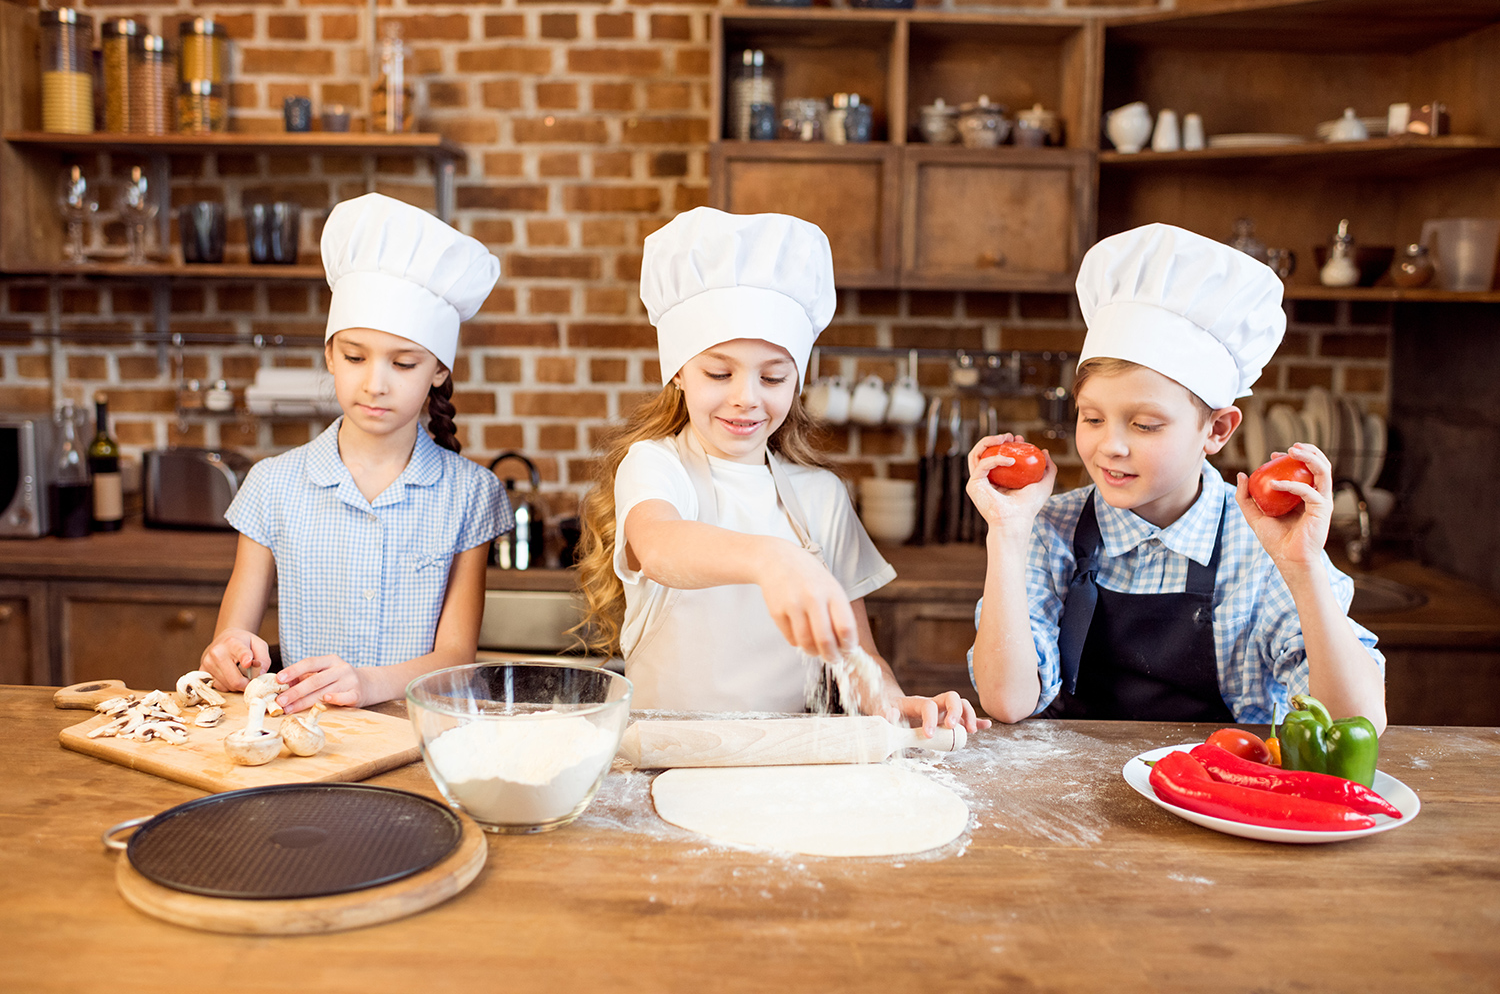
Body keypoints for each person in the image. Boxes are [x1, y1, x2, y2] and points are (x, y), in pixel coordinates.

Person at [575, 207, 984, 734]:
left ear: (797, 381)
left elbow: (857, 657)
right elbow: (658, 545)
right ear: (678, 372)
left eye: (772, 377)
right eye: (719, 372)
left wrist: (891, 704)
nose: (746, 399)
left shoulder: (821, 497)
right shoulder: (657, 465)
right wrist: (773, 559)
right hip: (668, 756)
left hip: (787, 763)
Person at [966, 223, 1386, 732]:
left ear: (1217, 429)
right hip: (1071, 795)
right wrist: (1007, 534)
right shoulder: (1048, 527)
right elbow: (1007, 702)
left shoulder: (1259, 546)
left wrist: (1303, 570)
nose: (1110, 446)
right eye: (1091, 417)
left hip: (1223, 792)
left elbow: (1355, 723)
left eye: (1144, 424)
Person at [199, 193, 511, 714]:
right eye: (354, 356)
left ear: (439, 370)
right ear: (329, 354)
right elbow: (232, 633)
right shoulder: (272, 484)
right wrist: (229, 654)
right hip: (307, 739)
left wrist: (366, 684)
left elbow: (456, 655)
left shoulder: (470, 494)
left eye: (404, 364)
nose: (375, 384)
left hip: (418, 738)